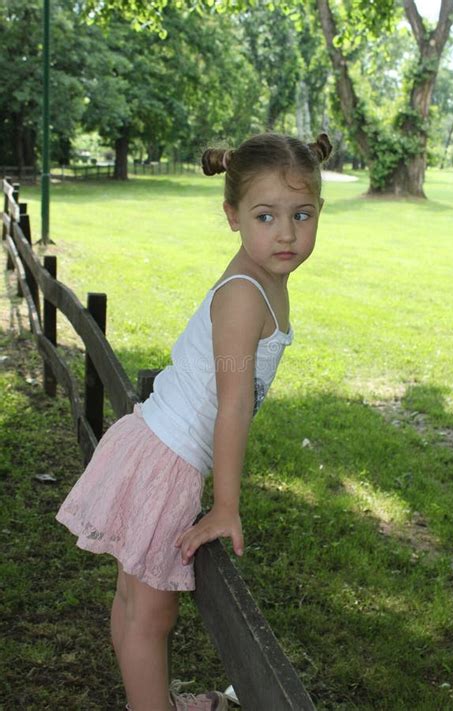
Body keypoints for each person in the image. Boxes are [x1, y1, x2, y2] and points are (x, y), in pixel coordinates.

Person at [55, 131, 332, 711]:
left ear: (319, 212)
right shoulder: (244, 296)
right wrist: (225, 505)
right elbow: (232, 405)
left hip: (155, 441)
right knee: (149, 613)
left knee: (137, 604)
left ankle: (148, 700)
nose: (286, 233)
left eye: (301, 214)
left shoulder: (261, 279)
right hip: (167, 455)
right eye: (265, 216)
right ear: (232, 216)